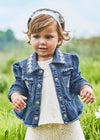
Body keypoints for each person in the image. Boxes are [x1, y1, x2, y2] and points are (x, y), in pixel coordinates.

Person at [8, 8, 95, 140]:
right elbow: (18, 85)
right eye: (36, 36)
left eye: (48, 37)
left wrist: (85, 88)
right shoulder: (24, 66)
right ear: (30, 38)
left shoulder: (68, 61)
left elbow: (77, 80)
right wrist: (16, 96)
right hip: (38, 127)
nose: (42, 41)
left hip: (68, 126)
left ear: (59, 39)